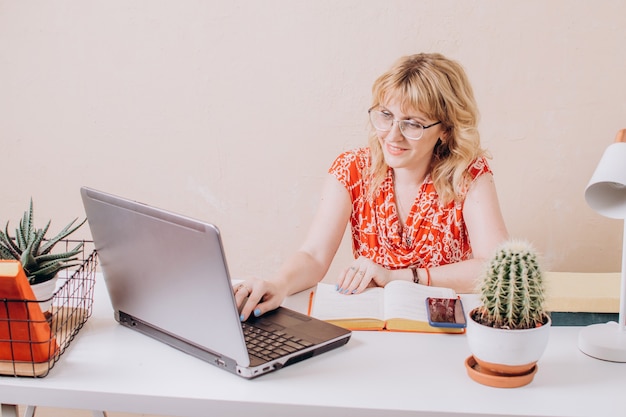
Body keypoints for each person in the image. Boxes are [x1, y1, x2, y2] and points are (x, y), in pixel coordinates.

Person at [235, 52, 508, 321]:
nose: (392, 135)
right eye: (386, 115)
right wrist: (278, 285)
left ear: (445, 129)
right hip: (373, 329)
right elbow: (314, 255)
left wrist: (400, 277)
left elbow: (497, 269)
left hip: (440, 327)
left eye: (412, 124)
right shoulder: (351, 169)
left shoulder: (468, 174)